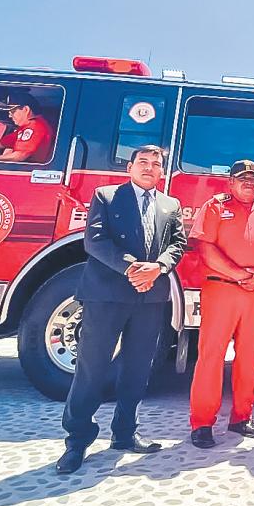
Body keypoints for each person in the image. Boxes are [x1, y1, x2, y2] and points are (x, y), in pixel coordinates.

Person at [57, 145, 186, 474]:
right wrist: (132, 268)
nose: (149, 167)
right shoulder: (107, 196)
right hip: (107, 295)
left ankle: (125, 433)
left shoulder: (170, 205)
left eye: (155, 163)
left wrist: (158, 267)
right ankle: (77, 441)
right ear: (130, 167)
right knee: (92, 367)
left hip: (150, 297)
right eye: (143, 162)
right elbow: (95, 241)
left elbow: (178, 244)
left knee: (137, 369)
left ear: (162, 171)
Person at [188, 160, 254, 448]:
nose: (248, 183)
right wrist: (240, 274)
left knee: (250, 357)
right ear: (231, 183)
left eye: (253, 179)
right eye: (242, 179)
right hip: (221, 289)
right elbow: (205, 248)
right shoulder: (215, 207)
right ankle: (202, 423)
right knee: (211, 356)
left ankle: (241, 417)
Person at [0, 90, 53, 162]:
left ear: (26, 110)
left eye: (12, 111)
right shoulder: (25, 128)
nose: (10, 116)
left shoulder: (35, 126)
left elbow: (18, 156)